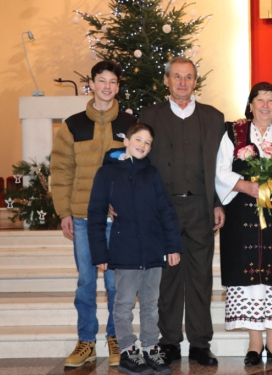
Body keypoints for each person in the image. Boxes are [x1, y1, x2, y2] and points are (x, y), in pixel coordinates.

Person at [215, 82, 272, 366]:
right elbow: (220, 168)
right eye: (260, 100)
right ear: (251, 104)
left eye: (271, 100)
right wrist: (246, 186)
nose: (265, 105)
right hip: (242, 214)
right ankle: (254, 345)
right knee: (247, 276)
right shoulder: (233, 131)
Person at [50, 61, 137, 368]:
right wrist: (64, 211)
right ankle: (86, 341)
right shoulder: (73, 124)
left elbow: (137, 171)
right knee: (86, 282)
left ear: (118, 86)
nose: (107, 86)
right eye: (102, 80)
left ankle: (115, 338)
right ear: (92, 83)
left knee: (116, 285)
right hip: (84, 218)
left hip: (118, 220)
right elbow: (61, 170)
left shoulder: (129, 124)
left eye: (113, 81)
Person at [140, 56, 225, 366]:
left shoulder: (214, 118)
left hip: (201, 208)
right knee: (169, 279)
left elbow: (220, 167)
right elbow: (141, 162)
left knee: (201, 277)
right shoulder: (150, 116)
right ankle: (170, 341)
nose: (182, 82)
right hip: (164, 210)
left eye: (188, 76)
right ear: (166, 80)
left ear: (195, 81)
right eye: (176, 76)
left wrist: (217, 202)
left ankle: (201, 343)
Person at [88, 123, 182, 375]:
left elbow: (166, 211)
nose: (142, 145)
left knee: (151, 303)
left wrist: (173, 246)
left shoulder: (151, 174)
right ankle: (129, 352)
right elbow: (96, 213)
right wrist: (99, 253)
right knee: (124, 304)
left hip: (153, 250)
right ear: (126, 141)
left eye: (148, 142)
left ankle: (151, 348)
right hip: (125, 251)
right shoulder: (107, 174)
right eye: (138, 140)